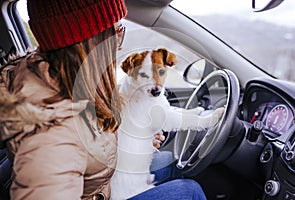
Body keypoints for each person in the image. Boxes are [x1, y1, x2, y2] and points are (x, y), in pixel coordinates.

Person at [0, 0, 207, 199]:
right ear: (91, 41)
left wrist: (127, 141)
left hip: (100, 184)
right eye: (117, 31)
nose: (118, 44)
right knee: (190, 191)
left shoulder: (65, 79)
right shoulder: (52, 131)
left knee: (170, 163)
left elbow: (87, 140)